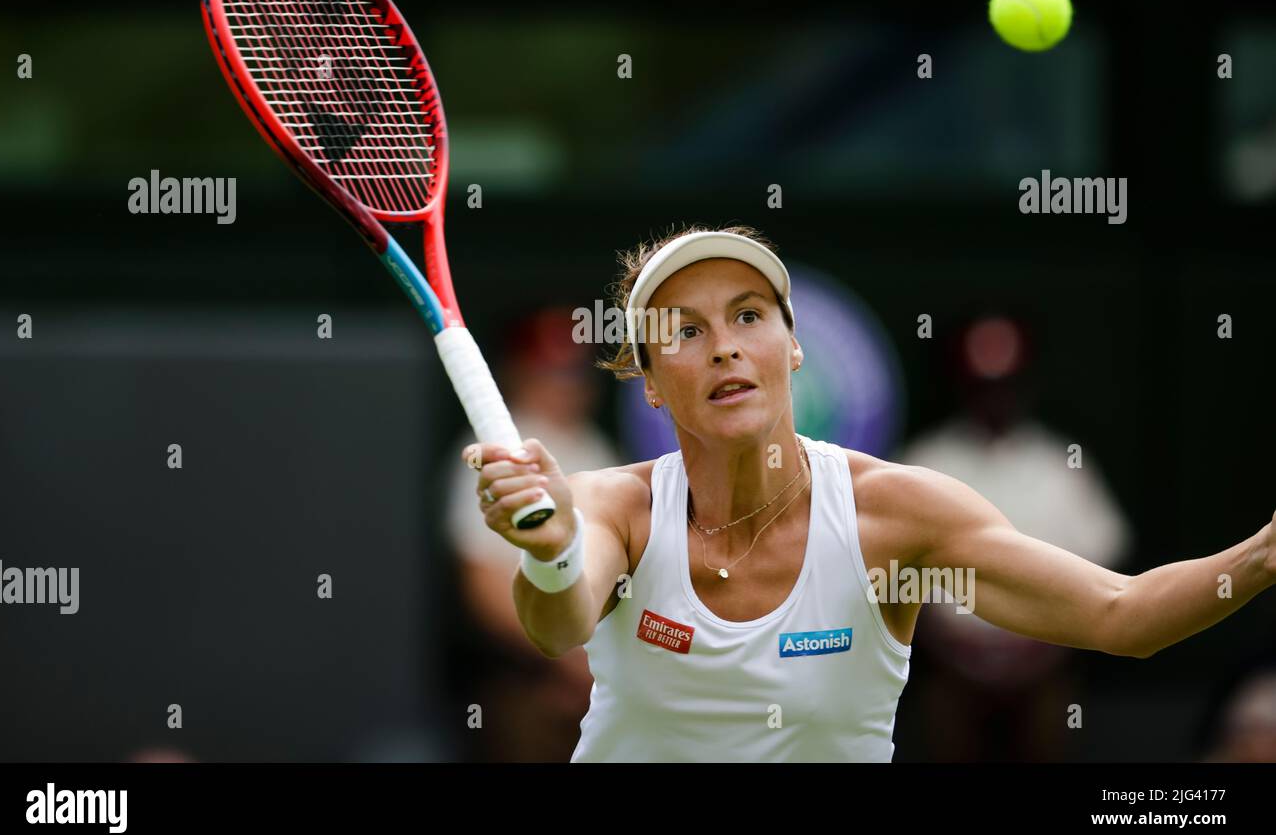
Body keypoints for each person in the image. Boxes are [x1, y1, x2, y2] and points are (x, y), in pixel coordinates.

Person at [462, 225, 1276, 762]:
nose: (724, 350)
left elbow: (1121, 616)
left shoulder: (895, 514)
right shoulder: (613, 507)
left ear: (795, 347)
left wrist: (1267, 551)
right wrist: (550, 551)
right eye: (685, 331)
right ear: (649, 386)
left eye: (749, 316)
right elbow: (558, 620)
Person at [901, 313, 1132, 760]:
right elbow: (895, 574)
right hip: (948, 671)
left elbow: (1105, 568)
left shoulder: (1062, 464)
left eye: (1005, 385)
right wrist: (951, 650)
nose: (995, 399)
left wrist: (1044, 647)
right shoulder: (923, 461)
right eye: (983, 386)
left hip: (1047, 666)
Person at [445, 307, 617, 761]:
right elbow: (481, 583)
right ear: (517, 372)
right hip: (525, 674)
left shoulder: (597, 445)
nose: (564, 385)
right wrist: (564, 658)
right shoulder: (493, 452)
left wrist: (598, 661)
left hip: (601, 675)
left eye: (572, 372)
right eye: (548, 371)